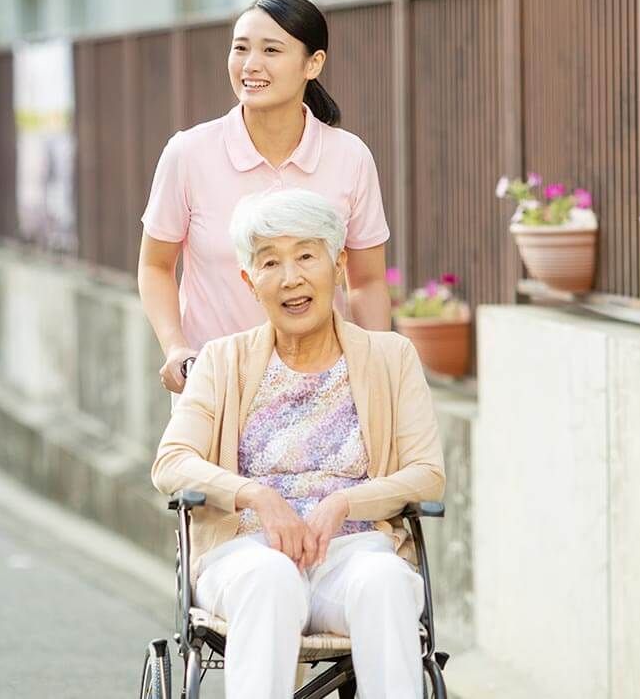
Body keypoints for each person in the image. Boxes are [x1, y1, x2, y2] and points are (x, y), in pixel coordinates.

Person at [151, 189, 445, 699]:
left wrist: (344, 503)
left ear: (338, 263)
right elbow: (171, 463)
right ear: (250, 281)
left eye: (307, 255)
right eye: (270, 262)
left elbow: (427, 474)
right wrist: (258, 497)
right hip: (245, 554)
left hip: (352, 552)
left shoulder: (391, 357)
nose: (291, 278)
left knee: (388, 582)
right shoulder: (221, 362)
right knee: (271, 580)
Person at [137, 0, 392, 402]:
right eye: (240, 49)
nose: (250, 65)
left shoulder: (350, 157)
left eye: (271, 50)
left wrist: (378, 370)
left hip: (325, 393)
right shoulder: (188, 154)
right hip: (216, 388)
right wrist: (176, 348)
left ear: (314, 63)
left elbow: (366, 281)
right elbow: (155, 266)